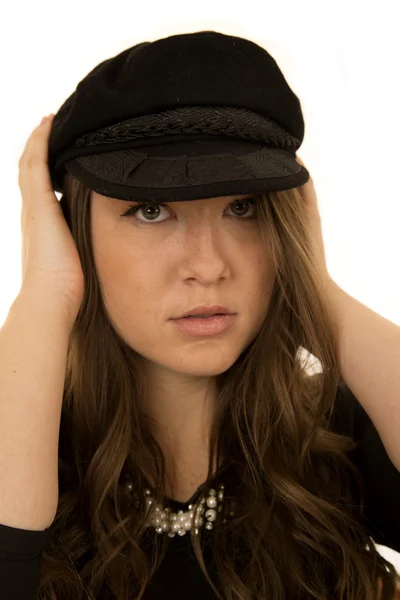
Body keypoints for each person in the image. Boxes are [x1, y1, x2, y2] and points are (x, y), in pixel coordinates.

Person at [1, 30, 399, 600]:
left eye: (243, 207)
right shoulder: (29, 449)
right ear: (72, 233)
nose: (209, 266)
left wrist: (315, 289)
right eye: (151, 210)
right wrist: (45, 291)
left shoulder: (334, 437)